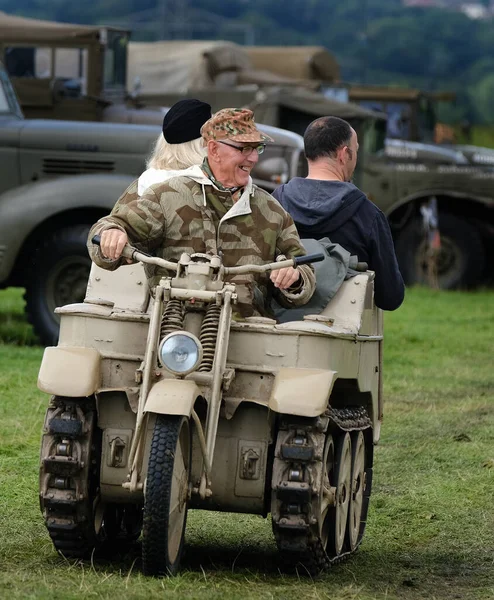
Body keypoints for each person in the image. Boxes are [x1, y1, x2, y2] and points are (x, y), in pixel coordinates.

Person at [88, 108, 316, 317]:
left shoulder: (271, 210)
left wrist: (294, 277)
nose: (254, 158)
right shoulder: (167, 196)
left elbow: (304, 272)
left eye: (257, 148)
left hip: (248, 336)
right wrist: (112, 234)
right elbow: (107, 231)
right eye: (244, 148)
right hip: (172, 330)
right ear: (214, 149)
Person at [272, 116, 404, 311]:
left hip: (278, 327)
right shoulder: (368, 214)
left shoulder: (275, 203)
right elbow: (391, 298)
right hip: (343, 331)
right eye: (356, 150)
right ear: (344, 154)